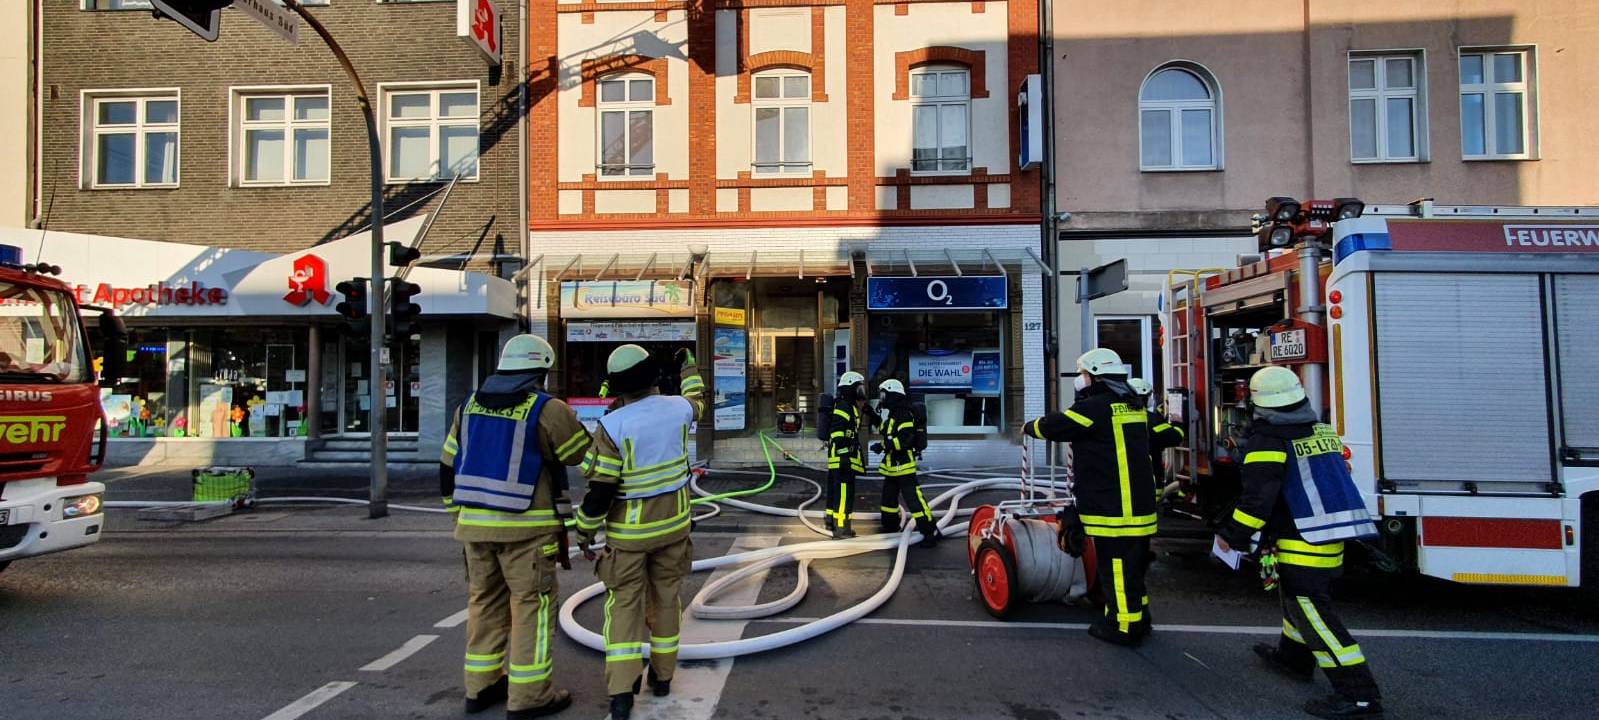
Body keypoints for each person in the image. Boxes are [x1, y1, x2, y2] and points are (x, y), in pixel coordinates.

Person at [1217, 366, 1383, 720]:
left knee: (1313, 612)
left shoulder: (1269, 441)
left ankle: (1359, 694)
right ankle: (1293, 658)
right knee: (1294, 601)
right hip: (1329, 533)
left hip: (1301, 537)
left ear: (1257, 403)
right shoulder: (1321, 430)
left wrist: (1232, 536)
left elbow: (1257, 500)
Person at [440, 334, 591, 719]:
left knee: (484, 604)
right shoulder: (547, 408)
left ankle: (481, 686)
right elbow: (578, 453)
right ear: (540, 370)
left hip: (474, 529)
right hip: (526, 531)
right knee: (531, 609)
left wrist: (456, 515)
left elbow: (447, 465)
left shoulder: (469, 405)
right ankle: (529, 697)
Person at [573, 345, 706, 720]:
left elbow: (600, 491)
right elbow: (698, 398)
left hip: (629, 538)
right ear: (652, 378)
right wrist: (689, 365)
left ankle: (622, 691)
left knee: (624, 608)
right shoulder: (679, 408)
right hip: (675, 528)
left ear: (618, 388)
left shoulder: (613, 425)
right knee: (667, 601)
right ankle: (663, 678)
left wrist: (583, 534)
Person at [1023, 348, 1156, 646]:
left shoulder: (1095, 408)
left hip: (1114, 506)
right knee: (1134, 568)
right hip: (1140, 504)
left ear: (1094, 376)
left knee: (1117, 568)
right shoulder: (1133, 406)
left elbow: (1056, 425)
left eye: (1083, 374)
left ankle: (1123, 626)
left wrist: (1028, 427)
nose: (1081, 380)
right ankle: (1139, 616)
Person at [869, 379, 938, 547]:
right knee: (888, 499)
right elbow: (885, 430)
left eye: (884, 394)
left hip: (904, 466)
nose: (882, 398)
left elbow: (905, 439)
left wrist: (883, 445)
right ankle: (890, 525)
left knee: (914, 500)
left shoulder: (904, 414)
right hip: (893, 467)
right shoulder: (894, 413)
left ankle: (930, 531)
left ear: (892, 394)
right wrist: (871, 415)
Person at [824, 371, 867, 539]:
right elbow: (836, 431)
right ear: (851, 388)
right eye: (858, 387)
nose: (861, 390)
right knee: (843, 494)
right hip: (843, 459)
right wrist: (844, 452)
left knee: (837, 492)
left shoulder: (848, 404)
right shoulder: (844, 405)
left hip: (842, 458)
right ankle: (841, 528)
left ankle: (831, 521)